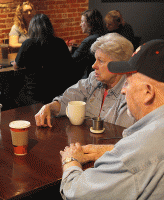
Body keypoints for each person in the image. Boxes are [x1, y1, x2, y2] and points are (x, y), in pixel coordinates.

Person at [60, 39, 164, 199]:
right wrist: (113, 149)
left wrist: (70, 161)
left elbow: (77, 193)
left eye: (127, 83)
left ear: (148, 92)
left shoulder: (138, 151)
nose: (123, 90)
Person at [35, 33, 136, 128]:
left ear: (119, 65)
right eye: (95, 59)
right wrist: (49, 107)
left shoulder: (129, 92)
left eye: (100, 61)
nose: (93, 66)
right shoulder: (94, 80)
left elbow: (122, 135)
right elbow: (67, 100)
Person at [13, 14, 75, 106]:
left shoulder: (28, 43)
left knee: (14, 94)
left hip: (34, 93)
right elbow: (69, 65)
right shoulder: (60, 42)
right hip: (58, 91)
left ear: (32, 28)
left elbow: (16, 65)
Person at [72, 9, 106, 79]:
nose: (80, 24)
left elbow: (72, 60)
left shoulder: (88, 40)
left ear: (90, 23)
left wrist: (69, 50)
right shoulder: (104, 34)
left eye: (82, 21)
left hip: (89, 77)